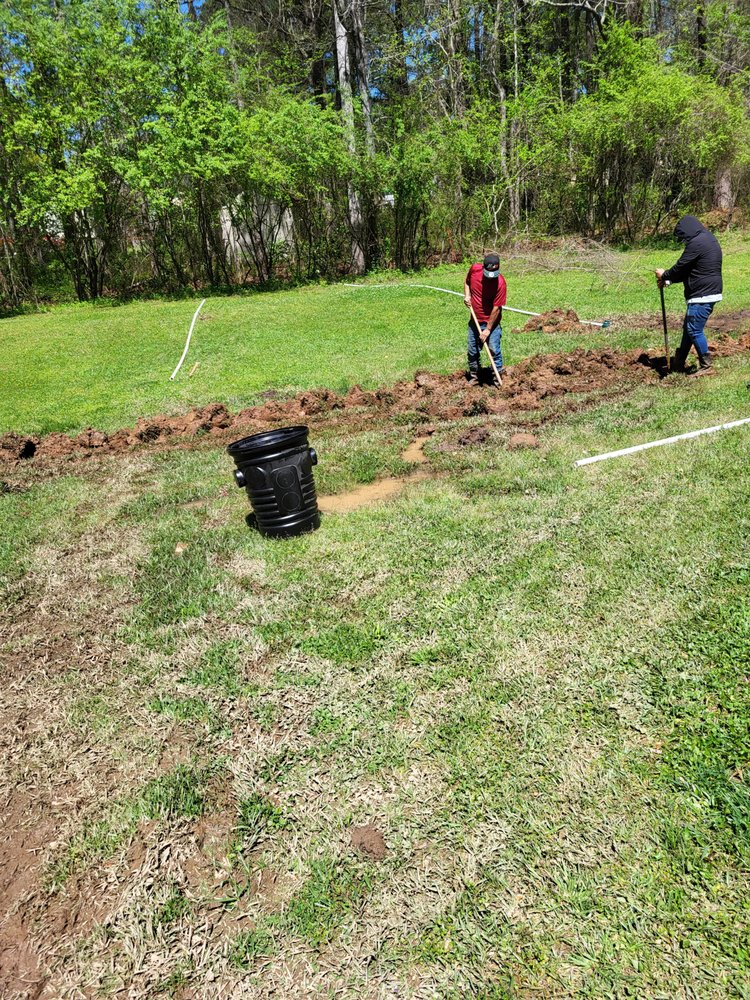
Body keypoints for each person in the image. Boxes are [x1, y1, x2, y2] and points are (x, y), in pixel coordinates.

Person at [656, 215, 723, 376]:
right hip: (707, 291)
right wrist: (668, 281)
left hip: (702, 294)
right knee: (689, 328)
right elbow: (690, 270)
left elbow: (681, 266)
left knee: (694, 329)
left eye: (683, 237)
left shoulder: (697, 243)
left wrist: (665, 274)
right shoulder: (707, 239)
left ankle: (707, 366)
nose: (684, 241)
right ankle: (678, 363)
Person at [464, 252, 507, 387]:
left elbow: (496, 309)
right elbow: (467, 282)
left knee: (494, 349)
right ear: (483, 268)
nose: (491, 278)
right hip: (475, 319)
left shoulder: (500, 283)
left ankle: (497, 377)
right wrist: (467, 296)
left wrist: (488, 329)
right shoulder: (474, 269)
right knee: (472, 350)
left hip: (491, 323)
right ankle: (475, 376)